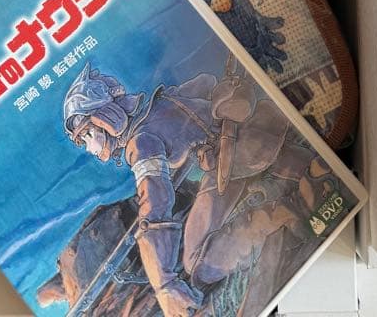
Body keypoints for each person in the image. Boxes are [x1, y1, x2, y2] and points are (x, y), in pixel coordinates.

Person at [61, 61, 337, 317]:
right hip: (242, 146)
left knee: (197, 264)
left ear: (104, 119)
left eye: (87, 134)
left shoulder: (141, 143)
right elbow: (207, 87)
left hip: (228, 166)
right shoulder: (163, 101)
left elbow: (155, 211)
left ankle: (283, 214)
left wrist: (164, 285)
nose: (90, 147)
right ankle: (306, 185)